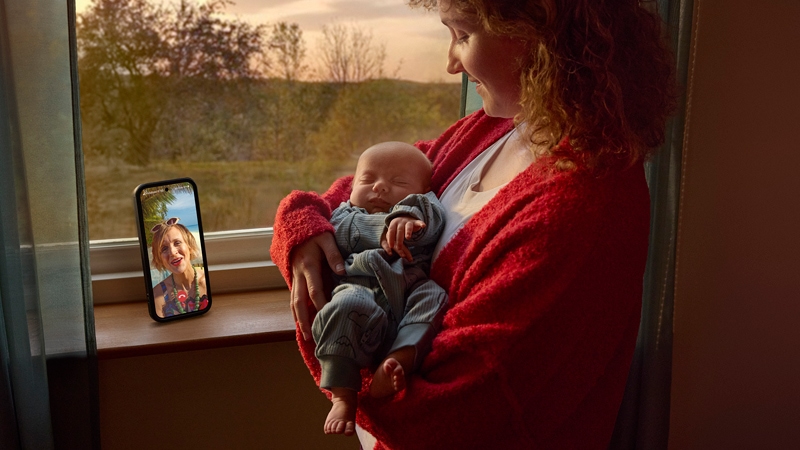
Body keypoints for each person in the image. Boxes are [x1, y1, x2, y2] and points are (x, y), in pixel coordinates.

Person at [270, 0, 677, 448]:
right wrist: (304, 229)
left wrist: (333, 335)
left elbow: (444, 412)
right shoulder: (498, 130)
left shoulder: (578, 210)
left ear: (539, 33)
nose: (450, 64)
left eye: (462, 35)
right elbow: (361, 190)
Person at [314, 141, 448, 437]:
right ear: (352, 187)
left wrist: (408, 219)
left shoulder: (422, 206)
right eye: (367, 179)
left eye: (398, 182)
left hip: (410, 287)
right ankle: (342, 393)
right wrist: (385, 228)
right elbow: (347, 234)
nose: (380, 188)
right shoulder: (344, 215)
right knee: (344, 306)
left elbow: (431, 218)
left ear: (423, 190)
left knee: (435, 296)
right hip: (361, 289)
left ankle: (399, 357)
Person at [150, 218, 209, 318]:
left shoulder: (208, 280)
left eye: (177, 243)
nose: (172, 252)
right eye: (164, 248)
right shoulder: (157, 295)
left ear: (189, 246)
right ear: (160, 259)